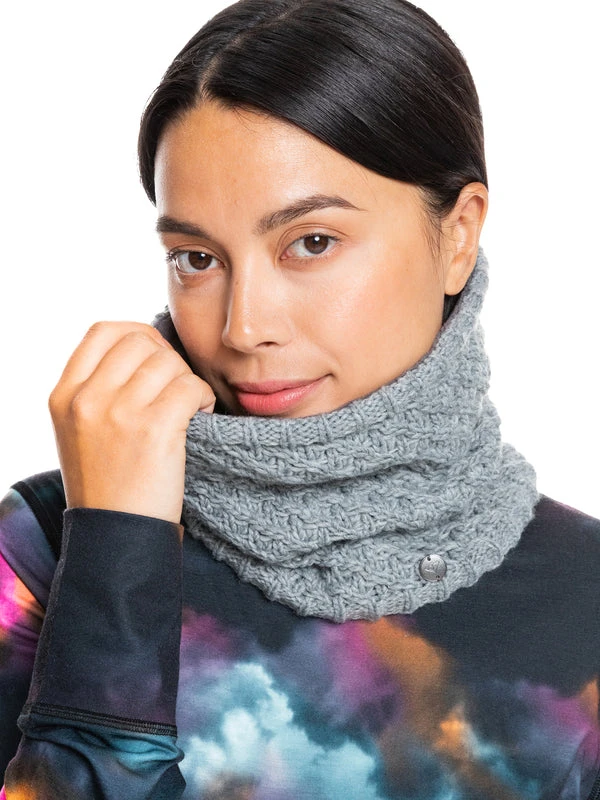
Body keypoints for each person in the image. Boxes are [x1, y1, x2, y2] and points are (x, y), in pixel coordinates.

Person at [0, 0, 598, 797]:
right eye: (196, 258)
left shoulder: (588, 591)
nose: (245, 327)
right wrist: (117, 548)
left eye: (311, 243)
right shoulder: (46, 550)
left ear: (457, 235)